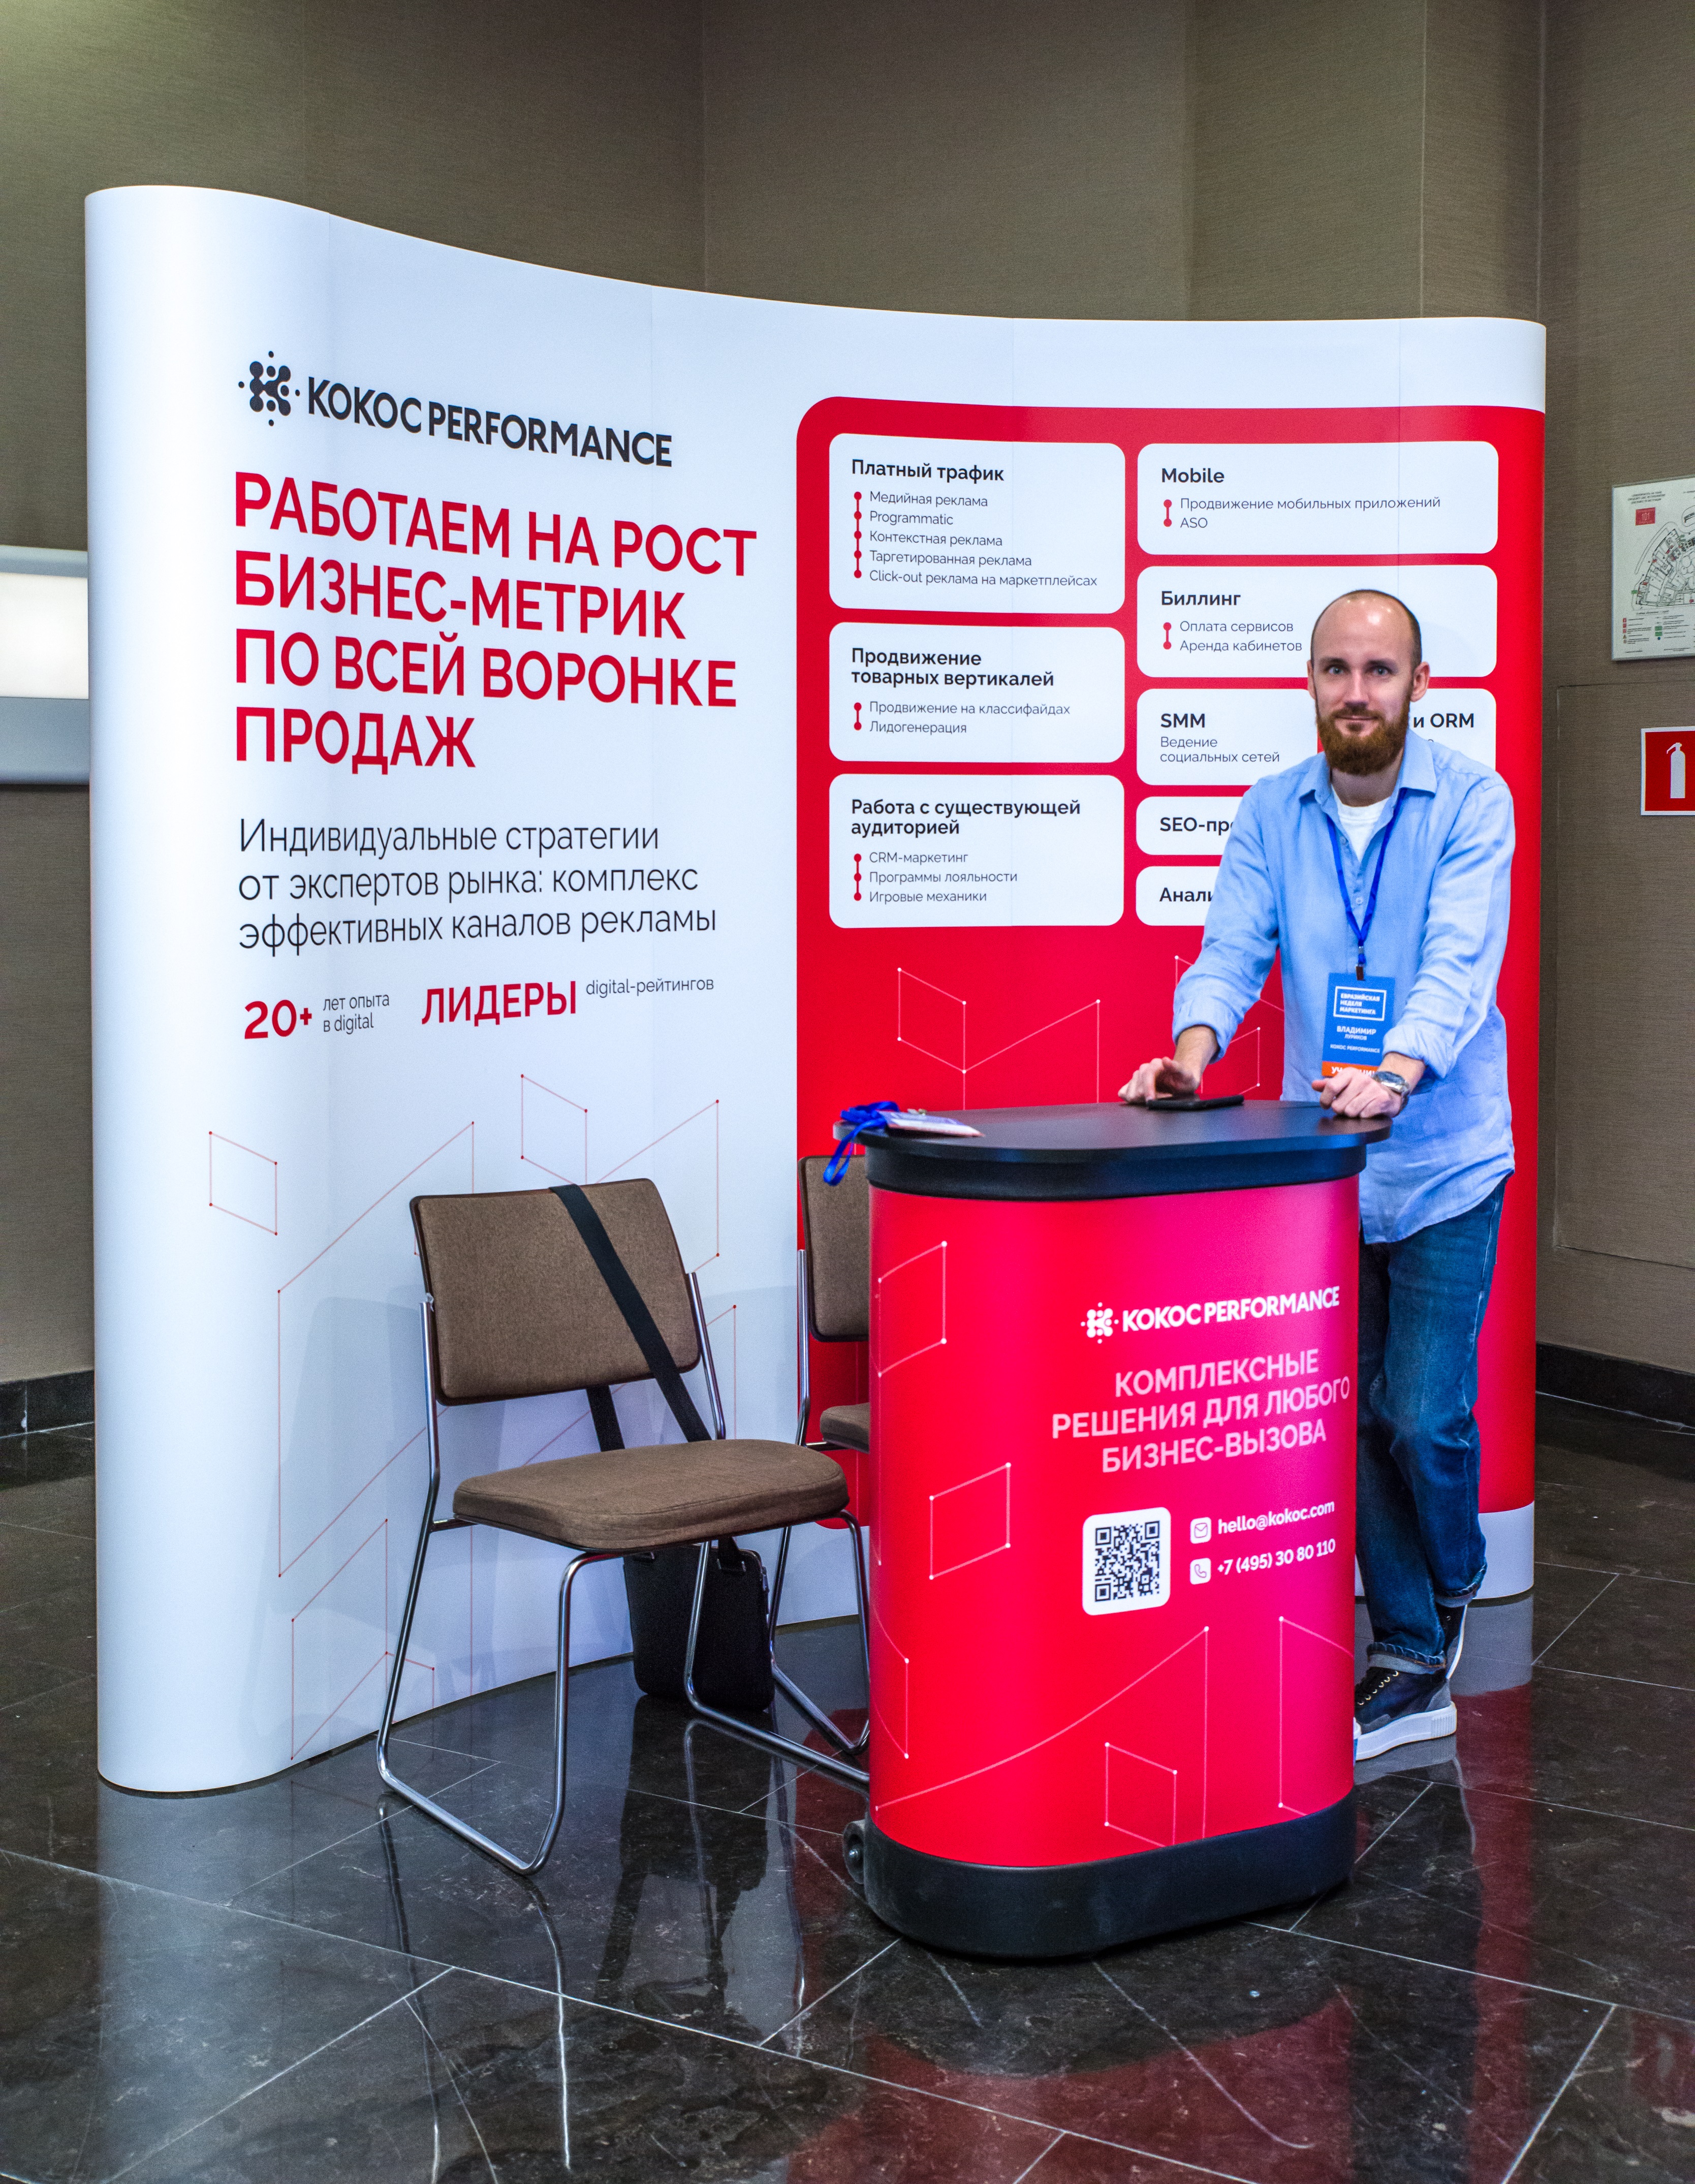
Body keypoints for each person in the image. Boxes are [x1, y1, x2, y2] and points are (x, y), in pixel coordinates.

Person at [1120, 589, 1514, 1761]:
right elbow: (1231, 948)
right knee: (1349, 1415)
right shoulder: (1271, 810)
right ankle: (1410, 1650)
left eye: (1380, 670)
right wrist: (1192, 1055)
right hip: (1328, 1173)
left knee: (1420, 1413)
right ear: (1309, 681)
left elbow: (1458, 963)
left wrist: (1397, 1068)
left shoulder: (1471, 802)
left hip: (1444, 1161)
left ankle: (1454, 1571)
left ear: (1419, 684)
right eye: (1337, 668)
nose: (1357, 691)